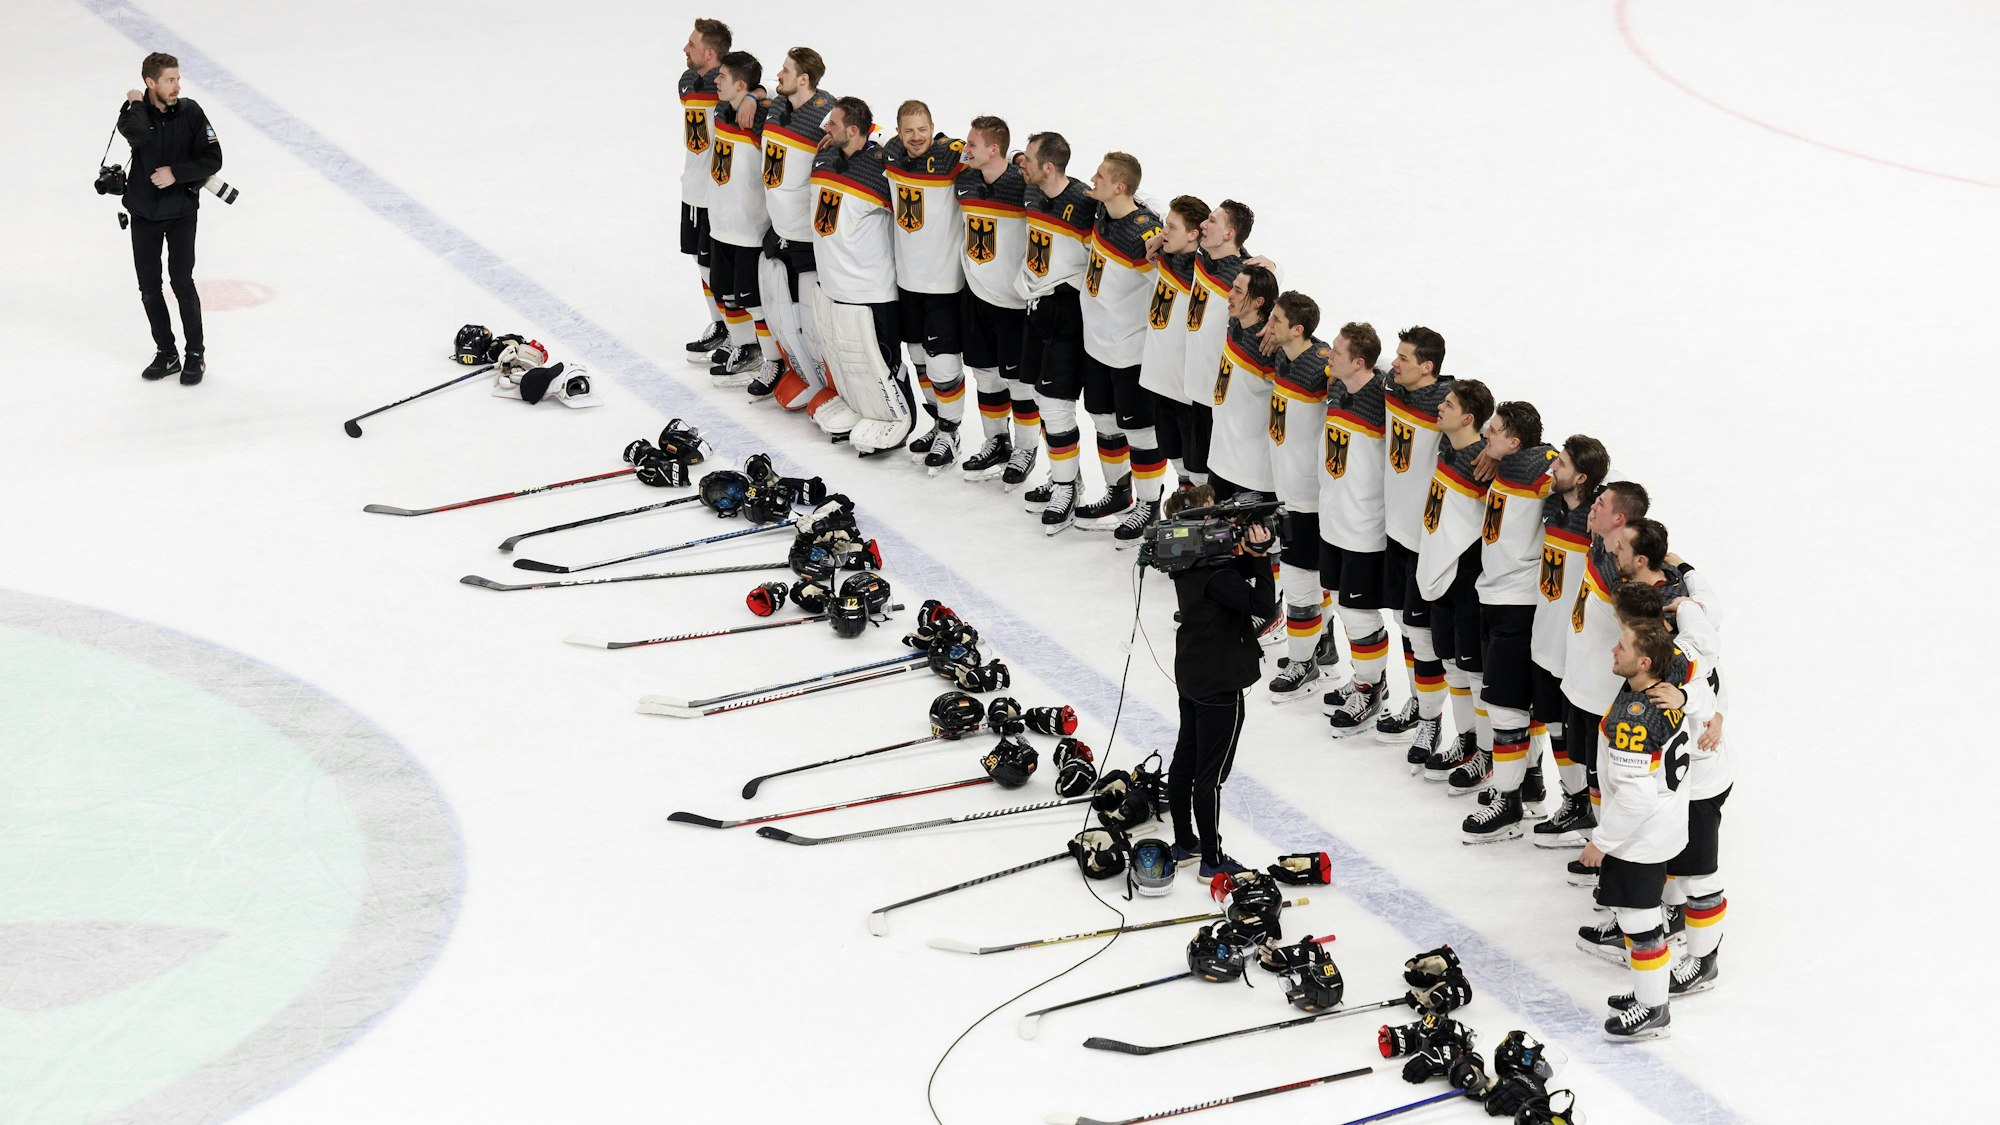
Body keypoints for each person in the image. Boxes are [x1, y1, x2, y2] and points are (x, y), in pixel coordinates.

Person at [1576, 619, 1701, 1041]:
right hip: (1664, 826)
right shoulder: (1669, 689)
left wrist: (1601, 842)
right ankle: (1651, 992)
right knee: (1644, 920)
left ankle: (1654, 1009)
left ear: (1645, 662)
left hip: (1639, 837)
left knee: (1640, 922)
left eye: (1623, 646)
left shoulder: (1637, 715)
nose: (1614, 649)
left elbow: (1635, 798)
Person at [1167, 487, 1278, 880]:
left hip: (1192, 673)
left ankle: (1185, 842)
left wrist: (1247, 555)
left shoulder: (1186, 559)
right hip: (1218, 683)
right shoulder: (1215, 575)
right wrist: (1261, 559)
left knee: (1185, 760)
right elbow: (1265, 606)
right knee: (1209, 776)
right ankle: (1212, 859)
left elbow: (1231, 575)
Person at [1459, 402, 1559, 837]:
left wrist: (1550, 460)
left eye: (1494, 431)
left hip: (1519, 603)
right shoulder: (1506, 462)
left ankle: (1509, 801)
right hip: (1494, 593)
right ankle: (1528, 780)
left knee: (1504, 705)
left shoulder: (1540, 470)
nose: (1485, 435)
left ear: (1516, 442)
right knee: (1512, 700)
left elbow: (1565, 468)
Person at [806, 97, 914, 453]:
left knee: (879, 360)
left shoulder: (882, 169)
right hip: (834, 284)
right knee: (846, 360)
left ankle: (902, 417)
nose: (826, 128)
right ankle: (860, 408)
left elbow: (917, 153)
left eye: (833, 124)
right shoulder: (825, 157)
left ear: (853, 131)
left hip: (872, 289)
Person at [1525, 436, 1611, 848]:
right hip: (1544, 638)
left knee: (1582, 739)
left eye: (1559, 463)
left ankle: (1596, 817)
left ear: (1580, 477)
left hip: (1574, 650)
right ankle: (1574, 800)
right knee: (1555, 727)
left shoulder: (1596, 531)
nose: (1550, 468)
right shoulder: (1552, 505)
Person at [1009, 132, 1099, 524]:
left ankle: (1066, 488)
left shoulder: (1083, 204)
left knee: (1056, 406)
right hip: (1036, 306)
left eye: (1028, 158)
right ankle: (1065, 475)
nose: (1020, 163)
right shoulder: (1032, 193)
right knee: (1044, 403)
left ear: (1048, 166)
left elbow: (1136, 209)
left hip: (1068, 312)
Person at [1319, 323, 1403, 734]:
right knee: (1341, 605)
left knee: (1359, 612)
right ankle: (1364, 677)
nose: (1327, 357)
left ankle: (1371, 687)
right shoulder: (1337, 389)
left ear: (1358, 362)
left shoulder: (1383, 400)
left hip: (1365, 528)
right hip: (1332, 521)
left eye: (1336, 352)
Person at [119, 52, 222, 386]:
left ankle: (195, 353)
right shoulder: (135, 115)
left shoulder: (191, 112)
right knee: (149, 287)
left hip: (180, 212)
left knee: (182, 282)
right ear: (151, 83)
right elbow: (138, 135)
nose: (177, 85)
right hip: (144, 214)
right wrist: (136, 102)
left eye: (177, 78)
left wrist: (175, 173)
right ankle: (167, 353)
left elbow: (213, 158)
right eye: (169, 80)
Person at [1075, 153, 1165, 532]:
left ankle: (1149, 505)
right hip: (1095, 344)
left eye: (1100, 175)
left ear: (1120, 187)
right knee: (1103, 420)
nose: (1091, 179)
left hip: (1129, 352)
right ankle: (1118, 492)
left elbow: (1167, 286)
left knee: (1141, 433)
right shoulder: (1104, 212)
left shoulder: (1143, 236)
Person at [1380, 327, 1456, 762]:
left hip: (1426, 542)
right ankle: (1418, 702)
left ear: (1428, 367)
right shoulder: (1394, 387)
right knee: (1404, 627)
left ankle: (1431, 720)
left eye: (1404, 358)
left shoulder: (1446, 406)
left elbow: (1477, 427)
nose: (1395, 364)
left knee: (1423, 637)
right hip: (1395, 531)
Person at [1413, 381, 1494, 783]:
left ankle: (1487, 752)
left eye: (1448, 404)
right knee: (1452, 667)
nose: (1439, 408)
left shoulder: (1485, 464)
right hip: (1438, 572)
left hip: (1467, 578)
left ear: (1468, 418)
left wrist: (1500, 456)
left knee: (1475, 673)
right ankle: (1465, 740)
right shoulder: (1448, 448)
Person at [881, 101, 969, 471]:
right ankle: (938, 423)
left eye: (922, 129)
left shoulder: (952, 155)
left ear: (934, 126)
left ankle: (951, 431)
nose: (916, 137)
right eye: (908, 130)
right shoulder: (891, 156)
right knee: (919, 359)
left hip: (945, 283)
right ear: (898, 131)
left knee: (944, 364)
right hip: (908, 281)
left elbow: (991, 154)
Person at [1561, 480, 1651, 833]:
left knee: (1608, 782)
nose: (1592, 508)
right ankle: (1596, 838)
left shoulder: (1625, 573)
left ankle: (1613, 855)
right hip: (1580, 682)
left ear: (1620, 518)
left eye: (1600, 503)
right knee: (1588, 770)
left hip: (1605, 697)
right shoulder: (1602, 544)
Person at [1261, 292, 1335, 702]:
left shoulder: (1320, 364)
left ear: (1298, 329)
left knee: (1298, 578)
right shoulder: (1285, 356)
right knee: (1308, 578)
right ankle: (1321, 646)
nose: (1268, 326)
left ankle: (1304, 662)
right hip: (1288, 488)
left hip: (1309, 495)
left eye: (1276, 320)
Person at [752, 46, 835, 407]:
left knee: (812, 321)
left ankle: (828, 382)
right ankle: (801, 373)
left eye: (785, 70)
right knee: (781, 311)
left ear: (804, 79)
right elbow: (757, 91)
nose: (778, 75)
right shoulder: (777, 107)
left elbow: (865, 133)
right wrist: (754, 96)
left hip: (807, 238)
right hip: (779, 230)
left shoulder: (826, 115)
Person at [953, 116, 1030, 481]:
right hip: (977, 298)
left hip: (1014, 306)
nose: (965, 149)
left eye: (972, 144)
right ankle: (996, 440)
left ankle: (1026, 449)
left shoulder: (1024, 187)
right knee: (985, 374)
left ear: (994, 149)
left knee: (1019, 383)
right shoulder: (966, 179)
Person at [1132, 194, 1209, 533]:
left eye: (1172, 228)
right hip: (1158, 380)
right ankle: (1182, 514)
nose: (1163, 233)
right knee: (1176, 461)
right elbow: (1143, 197)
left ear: (1194, 234)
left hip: (1187, 388)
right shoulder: (1166, 255)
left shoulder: (1206, 273)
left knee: (1197, 468)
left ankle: (1202, 528)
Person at [705, 52, 771, 387]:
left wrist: (756, 96)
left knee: (753, 302)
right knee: (724, 293)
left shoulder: (762, 117)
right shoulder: (721, 108)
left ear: (741, 84)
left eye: (723, 77)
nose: (716, 80)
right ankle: (744, 347)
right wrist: (748, 94)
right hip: (721, 224)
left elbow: (786, 101)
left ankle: (769, 357)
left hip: (748, 229)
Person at [1179, 202, 1254, 492]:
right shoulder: (1203, 254)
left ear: (1228, 234)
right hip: (1194, 387)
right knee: (1193, 467)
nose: (1203, 225)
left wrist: (1274, 267)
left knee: (1218, 475)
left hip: (1219, 395)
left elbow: (1269, 296)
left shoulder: (1240, 279)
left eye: (1211, 220)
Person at [679, 19, 733, 364]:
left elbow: (767, 90)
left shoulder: (730, 86)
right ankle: (720, 324)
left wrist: (755, 95)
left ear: (710, 53)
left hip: (720, 195)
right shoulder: (687, 81)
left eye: (692, 44)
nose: (685, 50)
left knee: (721, 269)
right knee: (702, 266)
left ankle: (738, 332)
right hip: (692, 190)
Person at [1206, 263, 1279, 501]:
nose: (1229, 294)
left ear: (1258, 302)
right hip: (1220, 459)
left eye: (1238, 291)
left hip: (1252, 472)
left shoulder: (1270, 348)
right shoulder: (1236, 323)